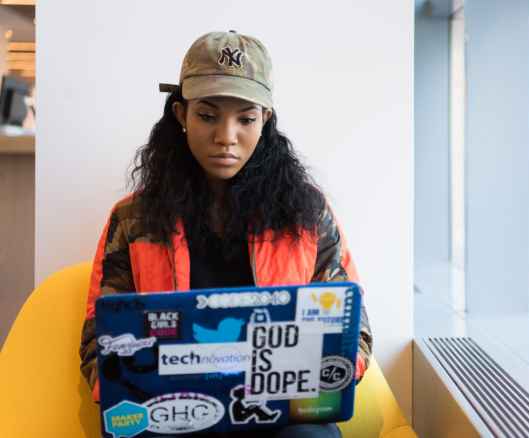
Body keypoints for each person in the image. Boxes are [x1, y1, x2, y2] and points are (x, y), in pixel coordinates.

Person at [78, 31, 373, 438]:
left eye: (246, 119)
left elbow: (352, 329)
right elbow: (100, 334)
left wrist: (317, 384)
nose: (226, 137)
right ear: (181, 115)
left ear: (265, 119)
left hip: (279, 420)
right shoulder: (133, 218)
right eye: (208, 115)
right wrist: (134, 391)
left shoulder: (306, 213)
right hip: (172, 414)